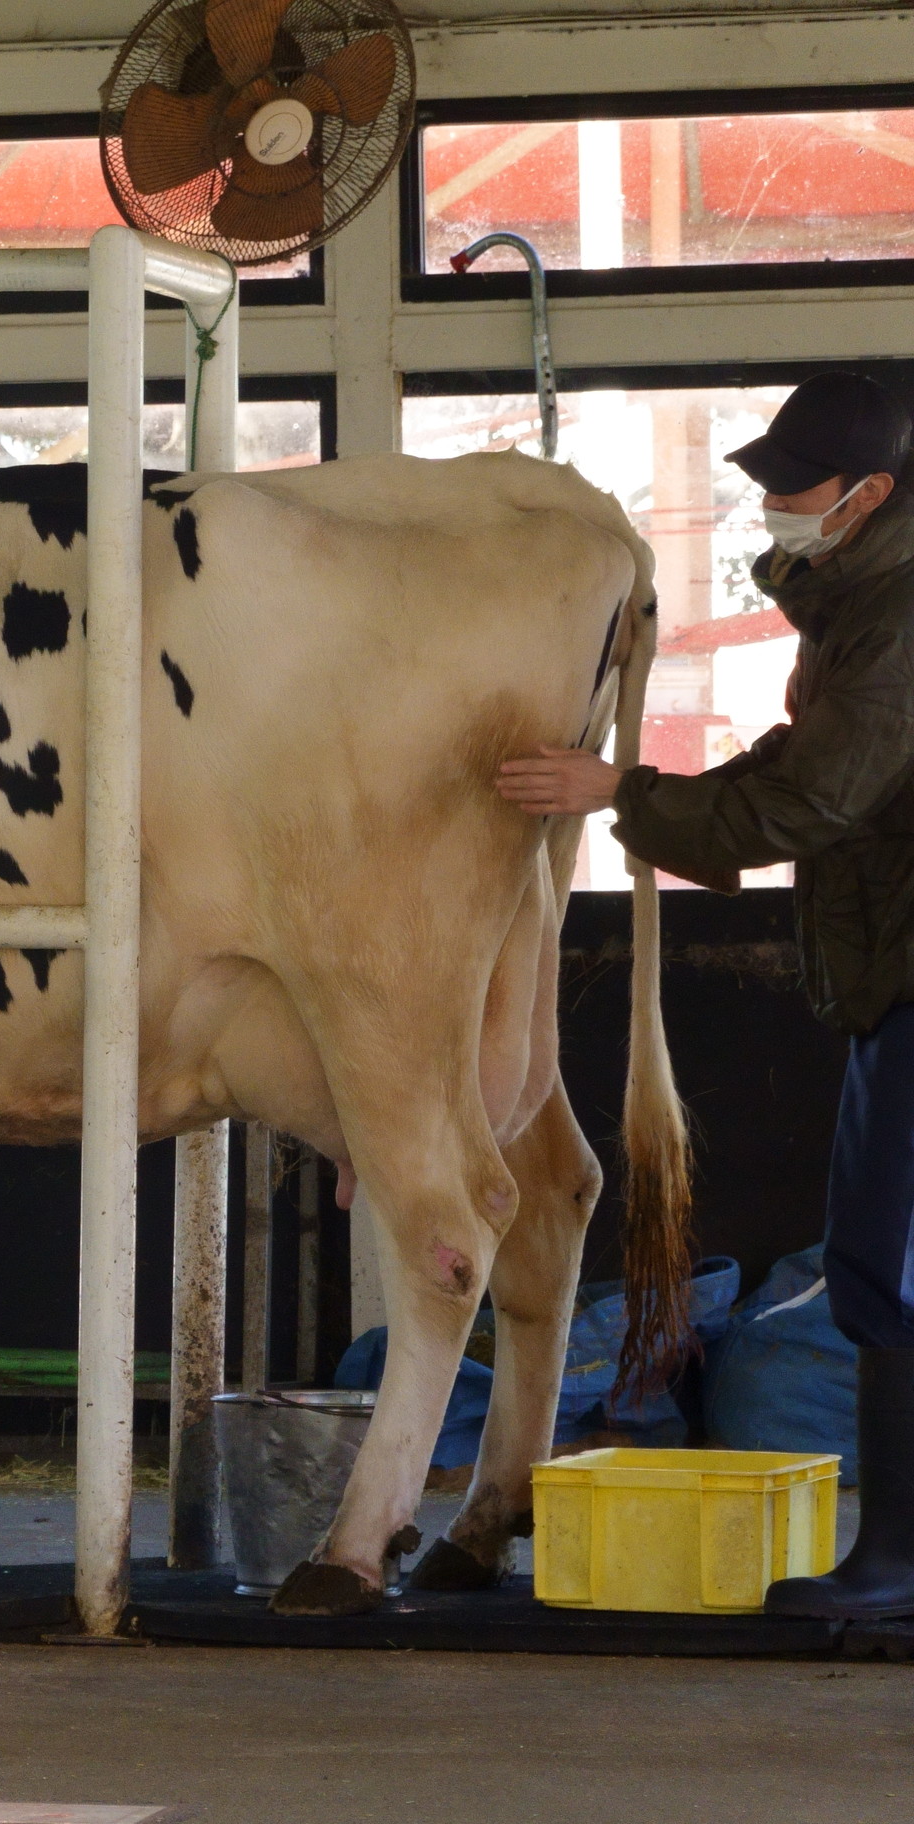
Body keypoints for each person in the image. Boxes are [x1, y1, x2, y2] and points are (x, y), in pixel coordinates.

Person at [496, 370, 914, 1622]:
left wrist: (619, 795)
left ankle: (895, 1564)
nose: (777, 510)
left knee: (887, 1276)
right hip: (888, 981)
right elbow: (803, 766)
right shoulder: (862, 609)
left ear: (873, 495)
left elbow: (808, 800)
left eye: (797, 491)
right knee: (873, 1268)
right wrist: (647, 790)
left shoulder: (897, 620)